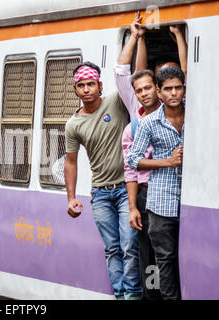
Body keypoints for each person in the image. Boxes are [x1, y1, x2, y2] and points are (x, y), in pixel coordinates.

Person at [64, 62, 142, 300]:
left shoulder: (116, 101)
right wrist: (71, 198)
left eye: (90, 84)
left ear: (99, 86)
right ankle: (120, 295)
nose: (86, 89)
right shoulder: (73, 124)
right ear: (75, 90)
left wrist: (137, 40)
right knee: (112, 249)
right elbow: (71, 162)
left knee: (129, 246)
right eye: (81, 85)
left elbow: (136, 76)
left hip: (126, 189)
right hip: (100, 194)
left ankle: (132, 295)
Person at [128, 66, 185, 300]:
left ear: (184, 89)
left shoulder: (197, 115)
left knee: (190, 257)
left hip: (194, 200)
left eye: (178, 88)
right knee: (166, 260)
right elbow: (133, 159)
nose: (173, 93)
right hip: (161, 202)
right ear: (159, 92)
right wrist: (168, 162)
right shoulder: (149, 123)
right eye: (168, 89)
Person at [115, 13, 162, 300]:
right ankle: (151, 295)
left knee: (164, 251)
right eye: (139, 90)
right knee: (145, 250)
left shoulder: (171, 112)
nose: (143, 93)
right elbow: (125, 71)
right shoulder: (135, 115)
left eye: (148, 88)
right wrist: (136, 36)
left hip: (167, 189)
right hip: (144, 191)